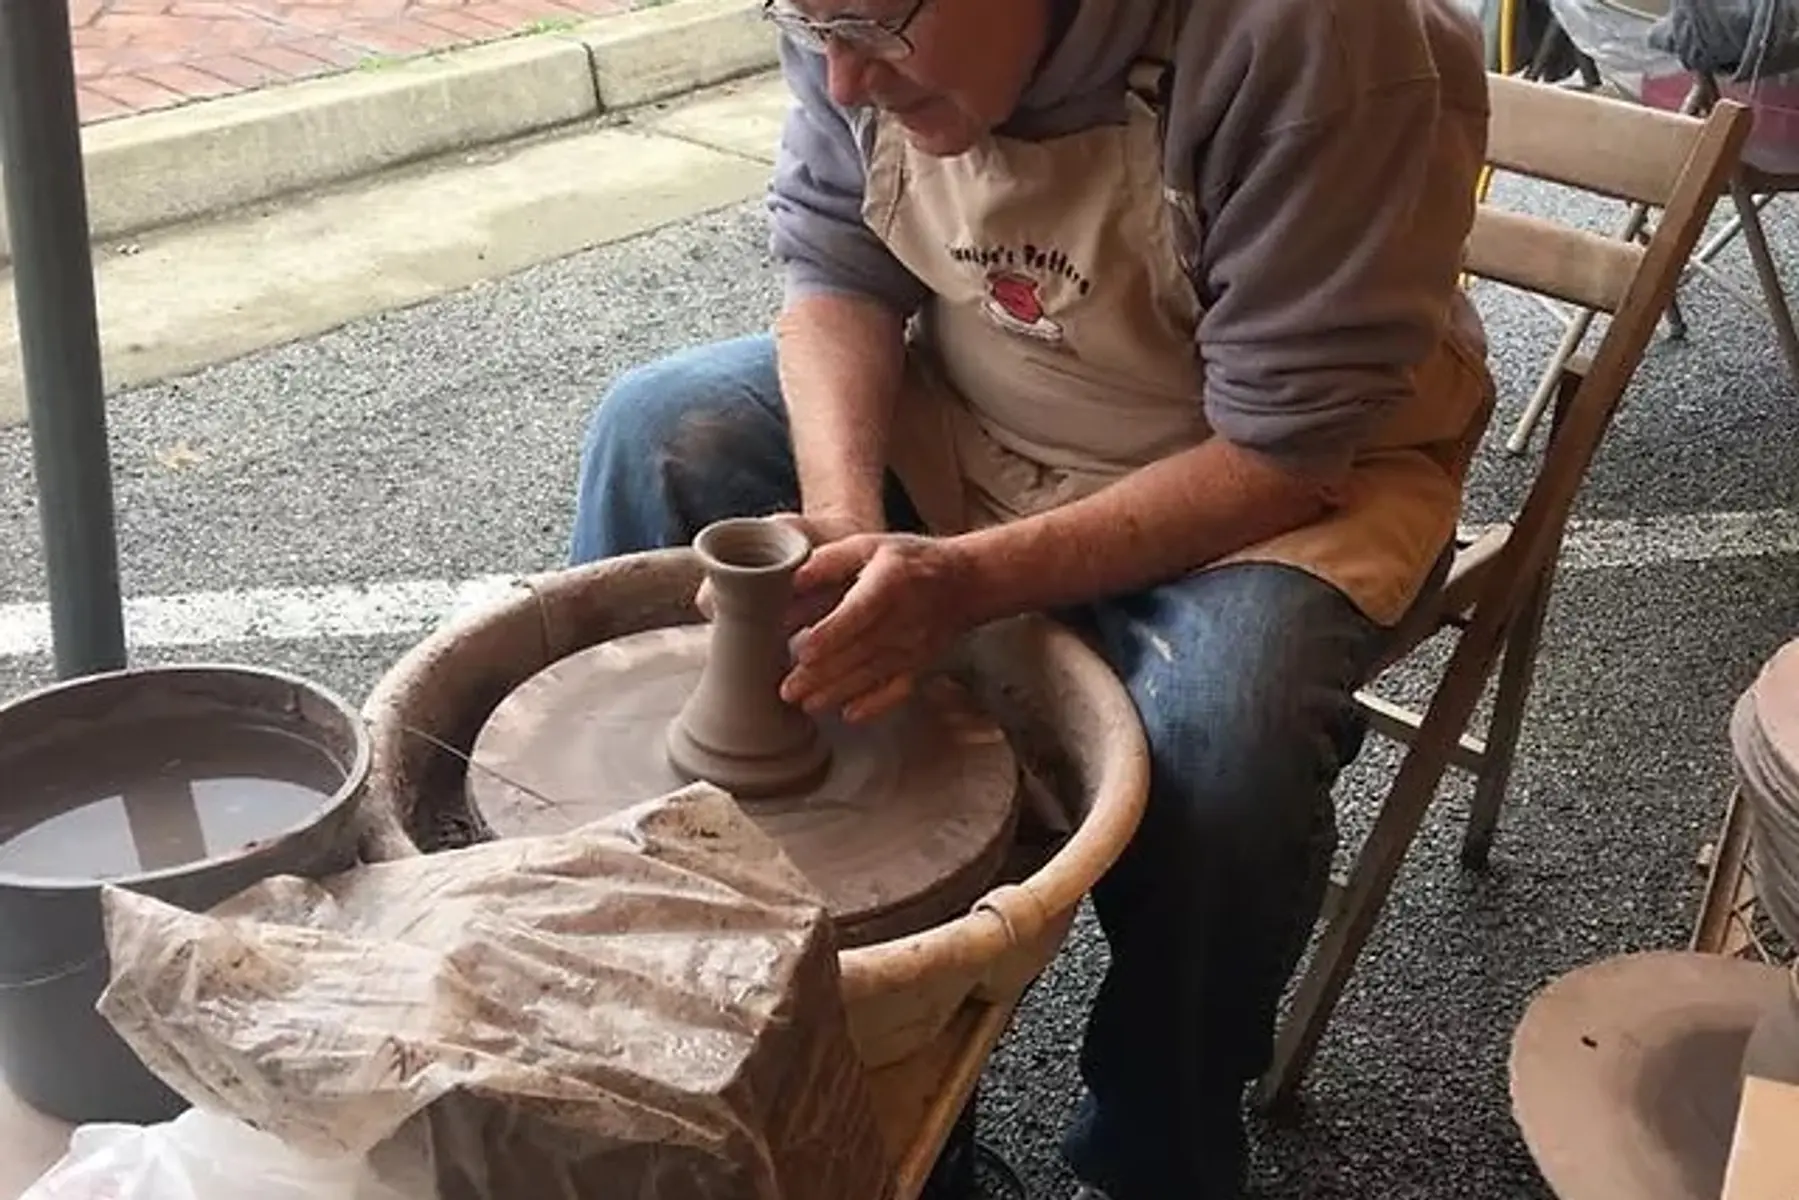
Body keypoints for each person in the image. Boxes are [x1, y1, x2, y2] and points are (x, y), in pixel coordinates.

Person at [569, 0, 1496, 1193]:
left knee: (1224, 732)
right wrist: (848, 520)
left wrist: (960, 582)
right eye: (805, 22)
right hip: (996, 386)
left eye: (871, 27)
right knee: (659, 432)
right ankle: (701, 1008)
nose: (841, 78)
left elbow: (1281, 450)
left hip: (1271, 461)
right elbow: (833, 265)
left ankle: (1157, 1138)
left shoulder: (1312, 36)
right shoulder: (857, 40)